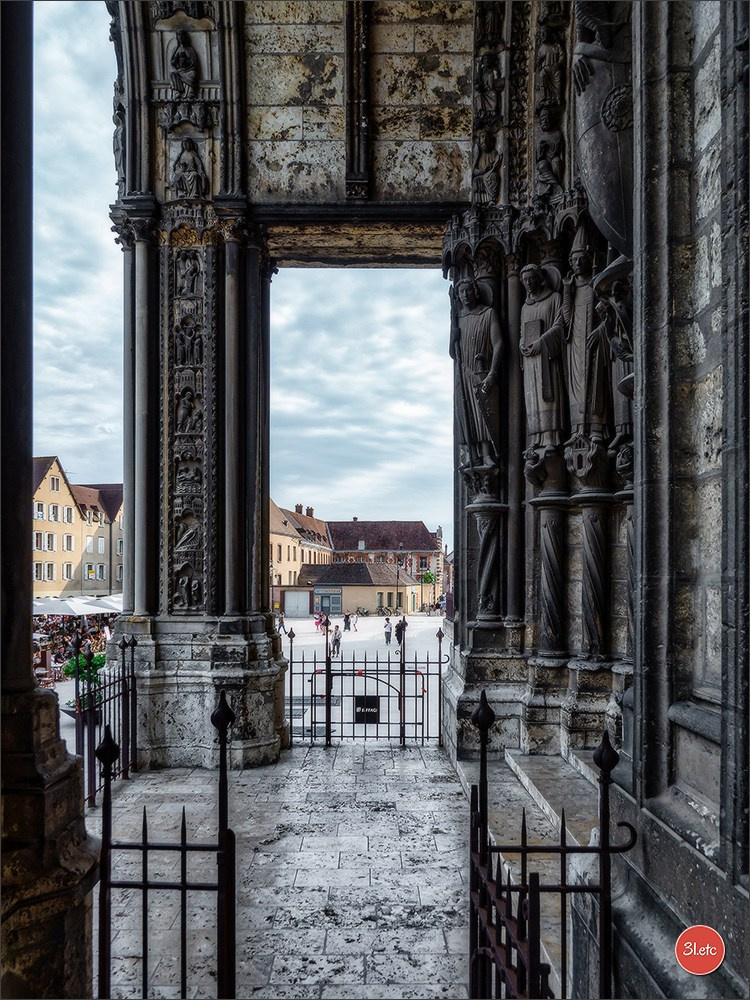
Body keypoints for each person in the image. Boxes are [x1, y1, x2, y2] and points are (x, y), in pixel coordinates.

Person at [450, 277, 503, 468]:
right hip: (463, 373)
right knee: (466, 416)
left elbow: (498, 344)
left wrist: (493, 373)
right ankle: (471, 455)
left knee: (483, 414)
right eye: (461, 292)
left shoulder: (488, 313)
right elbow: (452, 353)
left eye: (468, 291)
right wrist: (453, 337)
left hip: (481, 372)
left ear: (475, 291)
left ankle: (487, 454)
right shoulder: (457, 319)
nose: (465, 295)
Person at [519, 263, 567, 456]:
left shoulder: (554, 298)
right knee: (532, 398)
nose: (528, 283)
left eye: (531, 278)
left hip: (547, 356)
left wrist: (542, 342)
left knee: (549, 394)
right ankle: (537, 437)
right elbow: (523, 331)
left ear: (540, 277)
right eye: (524, 280)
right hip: (531, 360)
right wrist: (522, 343)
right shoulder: (524, 307)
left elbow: (560, 324)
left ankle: (551, 437)